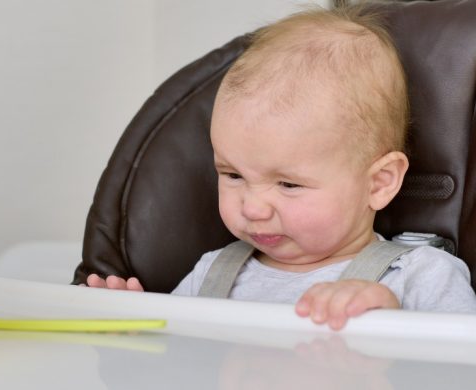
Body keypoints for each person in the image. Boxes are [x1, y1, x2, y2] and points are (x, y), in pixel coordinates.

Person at [84, 5, 476, 330]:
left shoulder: (422, 277)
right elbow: (177, 367)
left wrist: (390, 332)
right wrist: (132, 328)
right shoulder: (210, 274)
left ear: (379, 183)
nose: (253, 208)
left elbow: (461, 371)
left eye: (288, 184)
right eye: (233, 175)